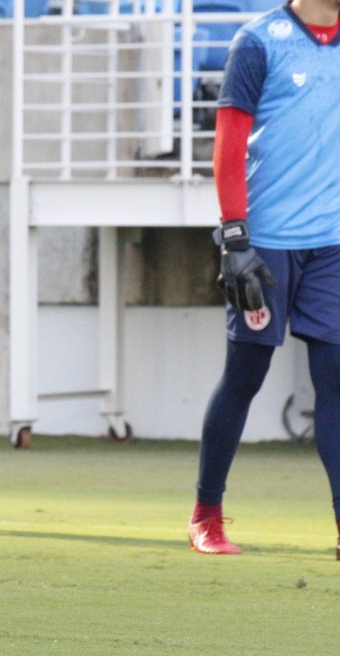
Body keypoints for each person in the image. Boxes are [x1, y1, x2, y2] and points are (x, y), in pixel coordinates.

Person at [188, 0, 340, 556]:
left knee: (337, 379)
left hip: (333, 244)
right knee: (245, 374)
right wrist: (234, 237)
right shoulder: (258, 40)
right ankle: (206, 514)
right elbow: (228, 143)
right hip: (266, 243)